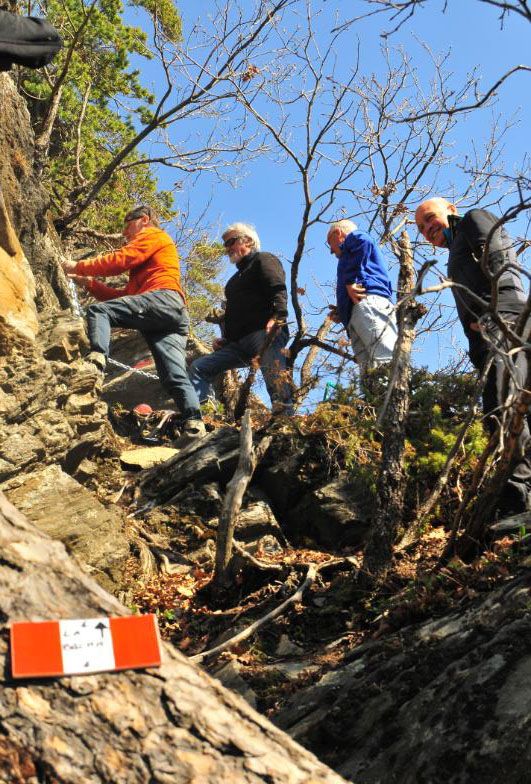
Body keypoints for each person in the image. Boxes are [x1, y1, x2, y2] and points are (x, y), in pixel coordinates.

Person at [415, 197, 531, 516]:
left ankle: (518, 499)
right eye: (421, 229)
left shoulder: (471, 220)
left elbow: (494, 256)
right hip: (501, 322)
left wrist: (490, 313)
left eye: (429, 219)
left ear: (451, 209)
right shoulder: (457, 246)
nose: (427, 229)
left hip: (502, 319)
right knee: (520, 406)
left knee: (501, 403)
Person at [62, 205, 205, 447]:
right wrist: (91, 284)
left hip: (163, 299)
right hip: (171, 313)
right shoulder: (148, 265)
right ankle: (194, 425)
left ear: (144, 220)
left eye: (128, 225)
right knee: (173, 374)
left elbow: (122, 259)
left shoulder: (153, 235)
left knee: (98, 312)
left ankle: (96, 360)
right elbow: (125, 296)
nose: (125, 233)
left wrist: (77, 266)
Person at [188, 222, 293, 414]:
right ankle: (205, 417)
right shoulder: (232, 282)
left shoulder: (264, 259)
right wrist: (226, 339)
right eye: (225, 245)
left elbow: (276, 287)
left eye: (231, 241)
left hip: (265, 333)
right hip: (238, 345)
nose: (227, 248)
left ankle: (286, 426)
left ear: (249, 241)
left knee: (276, 382)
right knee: (199, 367)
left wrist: (279, 316)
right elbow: (235, 314)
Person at [326, 219, 397, 384]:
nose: (331, 250)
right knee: (368, 372)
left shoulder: (355, 237)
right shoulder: (349, 256)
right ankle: (375, 404)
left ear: (338, 234)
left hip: (370, 302)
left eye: (330, 243)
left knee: (383, 356)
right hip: (357, 312)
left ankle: (393, 400)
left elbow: (363, 241)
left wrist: (350, 280)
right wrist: (342, 311)